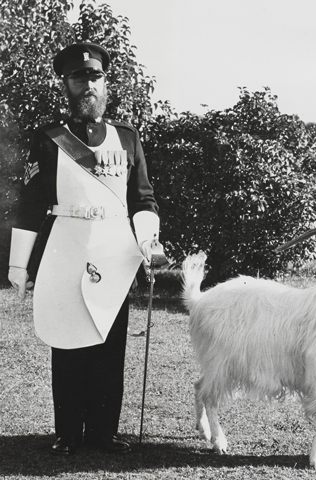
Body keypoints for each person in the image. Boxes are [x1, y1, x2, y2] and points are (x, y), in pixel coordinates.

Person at [7, 42, 160, 455]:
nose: (88, 85)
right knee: (68, 342)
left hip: (115, 252)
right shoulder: (49, 138)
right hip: (66, 247)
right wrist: (18, 267)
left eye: (95, 78)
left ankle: (103, 434)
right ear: (66, 86)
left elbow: (143, 200)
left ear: (105, 84)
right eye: (79, 79)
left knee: (110, 344)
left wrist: (148, 240)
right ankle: (69, 433)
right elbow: (30, 205)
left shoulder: (127, 137)